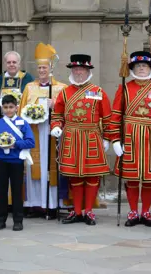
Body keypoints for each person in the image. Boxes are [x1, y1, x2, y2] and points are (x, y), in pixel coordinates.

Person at [111, 51, 151, 227]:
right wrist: (115, 139)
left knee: (149, 178)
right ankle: (132, 212)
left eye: (144, 66)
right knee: (131, 178)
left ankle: (146, 211)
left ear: (150, 68)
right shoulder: (124, 88)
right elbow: (116, 115)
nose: (141, 69)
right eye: (138, 66)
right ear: (132, 69)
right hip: (130, 138)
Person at [50, 54, 112, 226]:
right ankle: (77, 211)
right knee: (74, 176)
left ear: (88, 71)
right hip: (71, 137)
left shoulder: (98, 92)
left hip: (92, 137)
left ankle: (89, 211)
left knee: (92, 176)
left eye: (82, 69)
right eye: (76, 69)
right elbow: (56, 114)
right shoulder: (64, 92)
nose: (78, 72)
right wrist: (56, 125)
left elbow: (108, 117)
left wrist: (107, 138)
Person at [18, 44, 67, 218]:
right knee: (34, 168)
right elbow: (22, 110)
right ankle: (34, 204)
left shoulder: (61, 88)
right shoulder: (29, 87)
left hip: (52, 133)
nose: (41, 71)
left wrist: (55, 105)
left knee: (51, 168)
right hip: (34, 132)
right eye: (39, 68)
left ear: (51, 68)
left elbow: (66, 109)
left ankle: (52, 204)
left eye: (44, 67)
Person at [0, 94, 35, 231]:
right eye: (5, 107)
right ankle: (1, 220)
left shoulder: (23, 123)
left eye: (11, 107)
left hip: (16, 161)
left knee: (17, 191)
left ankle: (18, 220)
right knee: (1, 191)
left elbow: (31, 142)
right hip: (0, 161)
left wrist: (15, 144)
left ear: (16, 108)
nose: (8, 110)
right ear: (2, 108)